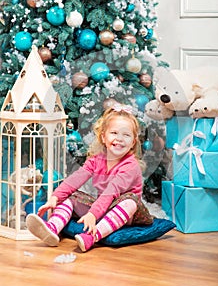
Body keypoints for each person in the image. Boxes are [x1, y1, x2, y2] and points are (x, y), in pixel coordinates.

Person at [26, 104, 153, 252]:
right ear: (103, 137)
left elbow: (111, 192)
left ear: (133, 142)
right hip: (103, 208)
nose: (119, 139)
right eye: (114, 133)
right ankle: (52, 228)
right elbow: (75, 179)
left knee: (130, 202)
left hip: (127, 214)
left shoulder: (130, 166)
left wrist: (92, 214)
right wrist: (55, 197)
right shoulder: (96, 160)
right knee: (70, 196)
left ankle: (92, 236)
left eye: (126, 135)